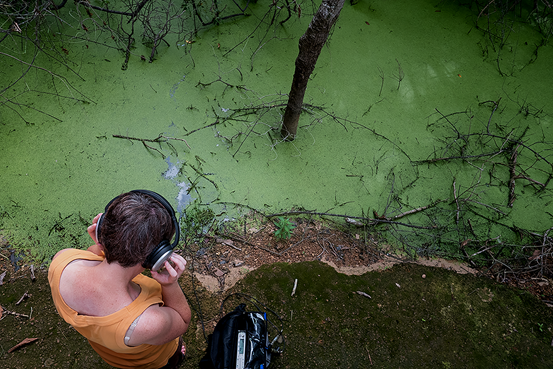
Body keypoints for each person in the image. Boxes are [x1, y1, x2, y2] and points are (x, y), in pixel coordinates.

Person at [48, 191, 191, 369]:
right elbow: (183, 320)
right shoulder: (144, 323)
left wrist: (100, 247)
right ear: (157, 257)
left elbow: (95, 257)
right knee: (170, 357)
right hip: (151, 360)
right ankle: (176, 357)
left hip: (112, 352)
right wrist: (170, 284)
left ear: (102, 230)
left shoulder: (63, 261)